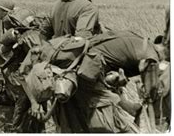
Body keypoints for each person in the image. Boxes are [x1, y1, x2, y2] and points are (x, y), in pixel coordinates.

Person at [19, 30, 167, 133]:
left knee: (75, 123)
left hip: (82, 70)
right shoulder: (151, 57)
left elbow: (108, 58)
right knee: (114, 124)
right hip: (87, 75)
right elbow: (152, 95)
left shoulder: (138, 40)